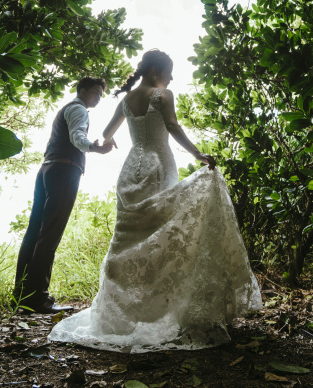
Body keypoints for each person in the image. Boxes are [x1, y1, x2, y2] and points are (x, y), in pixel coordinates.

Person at [48, 50, 262, 352]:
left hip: (131, 170)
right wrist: (198, 154)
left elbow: (107, 133)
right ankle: (163, 310)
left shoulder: (125, 100)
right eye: (168, 72)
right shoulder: (162, 94)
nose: (171, 78)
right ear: (154, 71)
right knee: (162, 235)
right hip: (159, 165)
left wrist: (109, 143)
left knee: (130, 238)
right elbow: (172, 127)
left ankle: (128, 313)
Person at [14, 77, 115, 314]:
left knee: (35, 232)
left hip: (47, 170)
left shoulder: (67, 109)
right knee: (49, 234)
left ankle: (21, 296)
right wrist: (96, 148)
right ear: (82, 90)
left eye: (102, 94)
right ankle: (38, 299)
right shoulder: (78, 109)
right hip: (64, 170)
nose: (99, 97)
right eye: (96, 92)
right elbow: (77, 137)